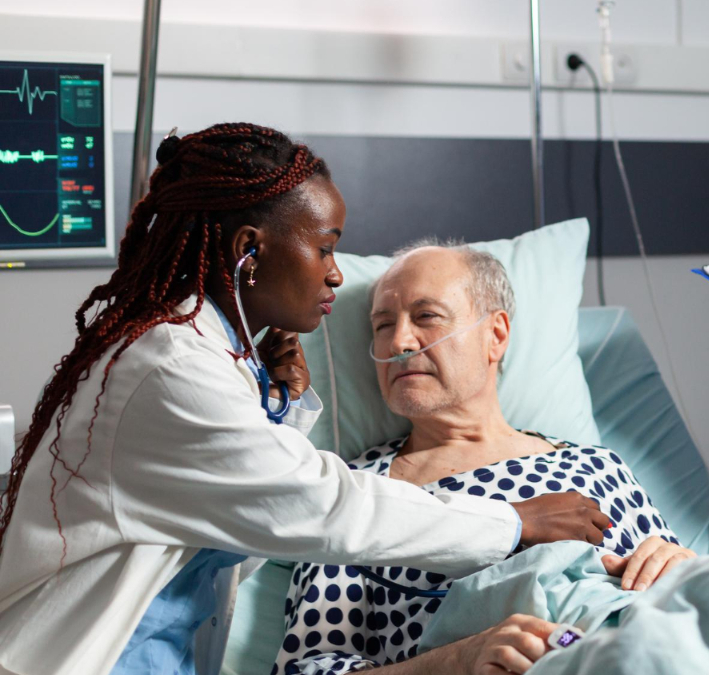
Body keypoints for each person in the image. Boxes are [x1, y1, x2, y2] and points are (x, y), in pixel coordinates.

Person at [0, 124, 606, 675]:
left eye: (429, 317)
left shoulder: (207, 358)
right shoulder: (171, 365)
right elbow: (321, 507)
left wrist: (280, 405)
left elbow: (245, 491)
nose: (337, 274)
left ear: (499, 334)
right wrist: (512, 523)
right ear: (249, 252)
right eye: (324, 247)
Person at [273, 240, 694, 675]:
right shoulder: (353, 491)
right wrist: (457, 660)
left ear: (495, 335)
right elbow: (310, 668)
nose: (399, 341)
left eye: (426, 316)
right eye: (382, 325)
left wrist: (687, 573)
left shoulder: (598, 467)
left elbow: (688, 604)